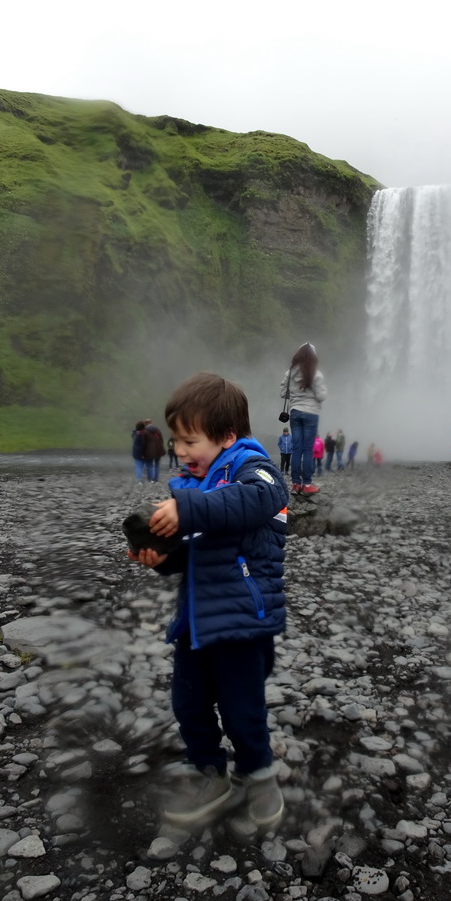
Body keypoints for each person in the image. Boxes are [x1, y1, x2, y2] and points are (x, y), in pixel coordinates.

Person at [129, 372, 287, 831]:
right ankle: (210, 773)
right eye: (175, 441)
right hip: (197, 623)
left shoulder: (256, 471)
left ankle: (259, 776)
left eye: (188, 441)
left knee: (243, 711)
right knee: (189, 704)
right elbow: (190, 556)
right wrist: (160, 557)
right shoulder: (193, 488)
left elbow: (254, 501)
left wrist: (189, 509)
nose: (179, 451)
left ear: (228, 437)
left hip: (242, 623)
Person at [280, 343, 327, 495]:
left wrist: (296, 394)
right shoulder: (316, 374)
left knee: (296, 449)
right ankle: (306, 484)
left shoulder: (289, 374)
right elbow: (321, 396)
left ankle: (295, 484)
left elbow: (283, 393)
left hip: (295, 412)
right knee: (307, 450)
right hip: (311, 414)